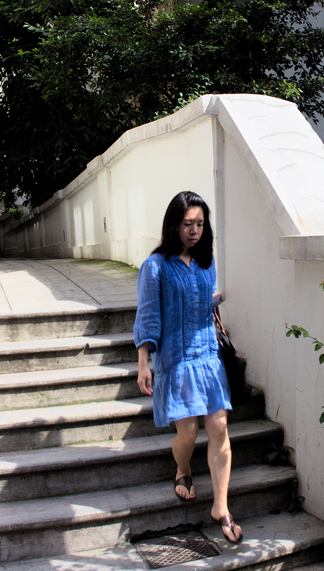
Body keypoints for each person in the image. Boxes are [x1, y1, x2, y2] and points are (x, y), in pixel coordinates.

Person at [134, 191, 241, 544]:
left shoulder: (206, 262)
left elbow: (200, 302)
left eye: (199, 224)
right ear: (173, 225)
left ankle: (221, 507)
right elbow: (148, 316)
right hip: (176, 360)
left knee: (219, 426)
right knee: (189, 432)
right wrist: (144, 363)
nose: (194, 231)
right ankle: (182, 468)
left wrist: (216, 299)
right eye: (187, 224)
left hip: (208, 357)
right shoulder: (155, 266)